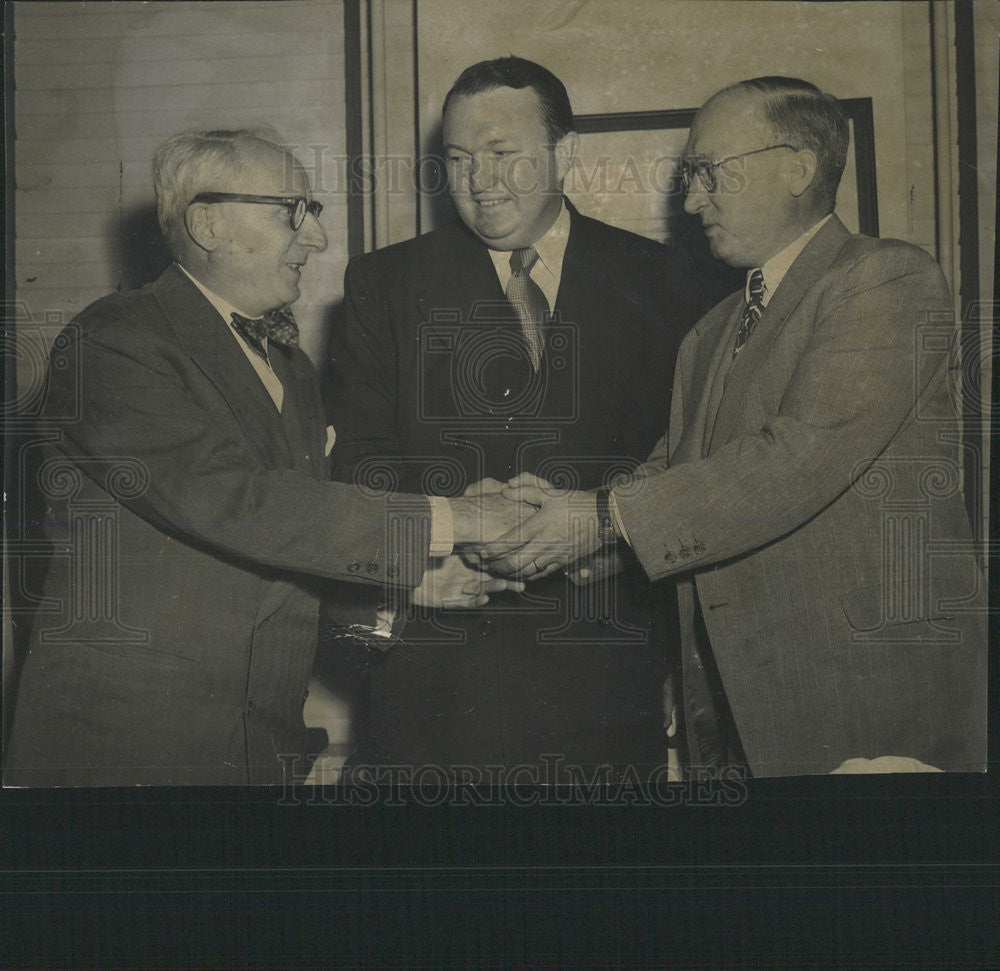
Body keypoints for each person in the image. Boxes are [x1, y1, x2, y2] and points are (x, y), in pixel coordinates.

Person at [483, 77, 988, 777]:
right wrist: (542, 524)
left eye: (709, 173)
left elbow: (795, 460)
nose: (691, 201)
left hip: (866, 712)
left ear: (797, 166)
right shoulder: (711, 331)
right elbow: (673, 471)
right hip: (735, 715)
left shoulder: (884, 281)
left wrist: (599, 516)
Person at [4, 129, 527, 787]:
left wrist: (403, 587)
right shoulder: (112, 342)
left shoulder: (293, 369)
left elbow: (282, 543)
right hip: (123, 749)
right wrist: (458, 517)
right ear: (208, 223)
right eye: (293, 212)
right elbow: (231, 500)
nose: (316, 240)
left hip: (258, 751)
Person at [324, 56, 704, 779]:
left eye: (503, 155)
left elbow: (689, 462)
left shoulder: (665, 280)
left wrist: (611, 540)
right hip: (437, 686)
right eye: (459, 159)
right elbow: (356, 460)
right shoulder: (383, 284)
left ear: (566, 153)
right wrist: (445, 527)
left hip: (606, 680)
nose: (480, 183)